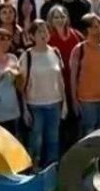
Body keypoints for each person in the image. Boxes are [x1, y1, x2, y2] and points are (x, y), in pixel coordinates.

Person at [18, 20, 66, 169]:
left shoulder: (55, 52)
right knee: (36, 139)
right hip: (35, 104)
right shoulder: (27, 56)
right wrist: (25, 109)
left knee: (53, 138)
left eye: (45, 31)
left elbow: (60, 79)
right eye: (39, 31)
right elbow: (21, 85)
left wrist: (64, 104)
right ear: (32, 36)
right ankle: (34, 167)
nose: (43, 34)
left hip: (55, 102)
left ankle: (52, 167)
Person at [69, 14, 100, 137]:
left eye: (99, 25)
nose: (98, 29)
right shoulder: (79, 49)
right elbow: (73, 77)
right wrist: (74, 100)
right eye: (94, 26)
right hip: (87, 100)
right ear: (88, 29)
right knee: (89, 133)